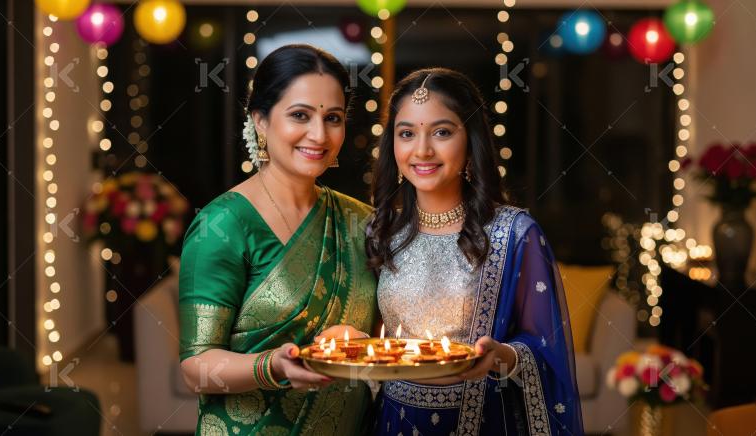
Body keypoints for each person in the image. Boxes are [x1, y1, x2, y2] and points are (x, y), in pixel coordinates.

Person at [367, 68, 583, 436]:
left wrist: (502, 355)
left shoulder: (514, 234)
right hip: (393, 422)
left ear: (471, 141)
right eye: (407, 133)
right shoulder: (380, 231)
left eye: (442, 132)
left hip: (484, 422)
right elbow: (370, 336)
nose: (422, 150)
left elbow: (546, 348)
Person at [179, 44, 377, 435]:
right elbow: (195, 368)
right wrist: (273, 366)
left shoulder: (361, 222)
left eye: (333, 118)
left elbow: (385, 332)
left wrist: (359, 342)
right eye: (300, 115)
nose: (318, 134)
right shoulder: (223, 224)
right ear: (260, 121)